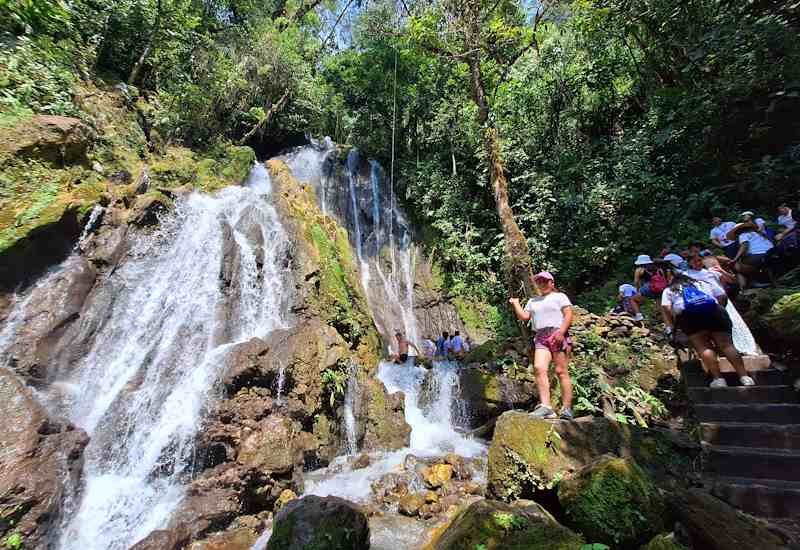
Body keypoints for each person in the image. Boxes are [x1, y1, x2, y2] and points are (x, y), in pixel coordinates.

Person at [661, 272, 755, 388]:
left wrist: (677, 321)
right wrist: (719, 309)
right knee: (727, 345)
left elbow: (666, 307)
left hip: (689, 317)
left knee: (703, 347)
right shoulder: (703, 283)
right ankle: (745, 377)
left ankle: (718, 379)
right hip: (714, 312)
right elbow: (722, 296)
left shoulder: (669, 290)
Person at [509, 271, 575, 420]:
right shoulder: (533, 301)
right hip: (540, 336)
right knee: (539, 368)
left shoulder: (560, 297)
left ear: (552, 283)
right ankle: (546, 406)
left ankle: (567, 408)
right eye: (539, 282)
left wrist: (562, 331)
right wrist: (516, 303)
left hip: (557, 334)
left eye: (545, 281)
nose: (542, 284)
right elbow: (524, 317)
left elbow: (569, 315)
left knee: (561, 371)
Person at [685, 254, 757, 355]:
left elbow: (732, 281)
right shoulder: (685, 274)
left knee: (730, 324)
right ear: (689, 263)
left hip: (721, 302)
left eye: (699, 261)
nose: (698, 263)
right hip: (701, 304)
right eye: (695, 261)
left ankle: (739, 347)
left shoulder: (711, 272)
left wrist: (721, 271)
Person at [732, 218, 774, 288]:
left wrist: (735, 259)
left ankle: (753, 282)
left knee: (739, 266)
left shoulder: (743, 235)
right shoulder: (758, 233)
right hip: (772, 252)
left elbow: (744, 246)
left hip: (760, 255)